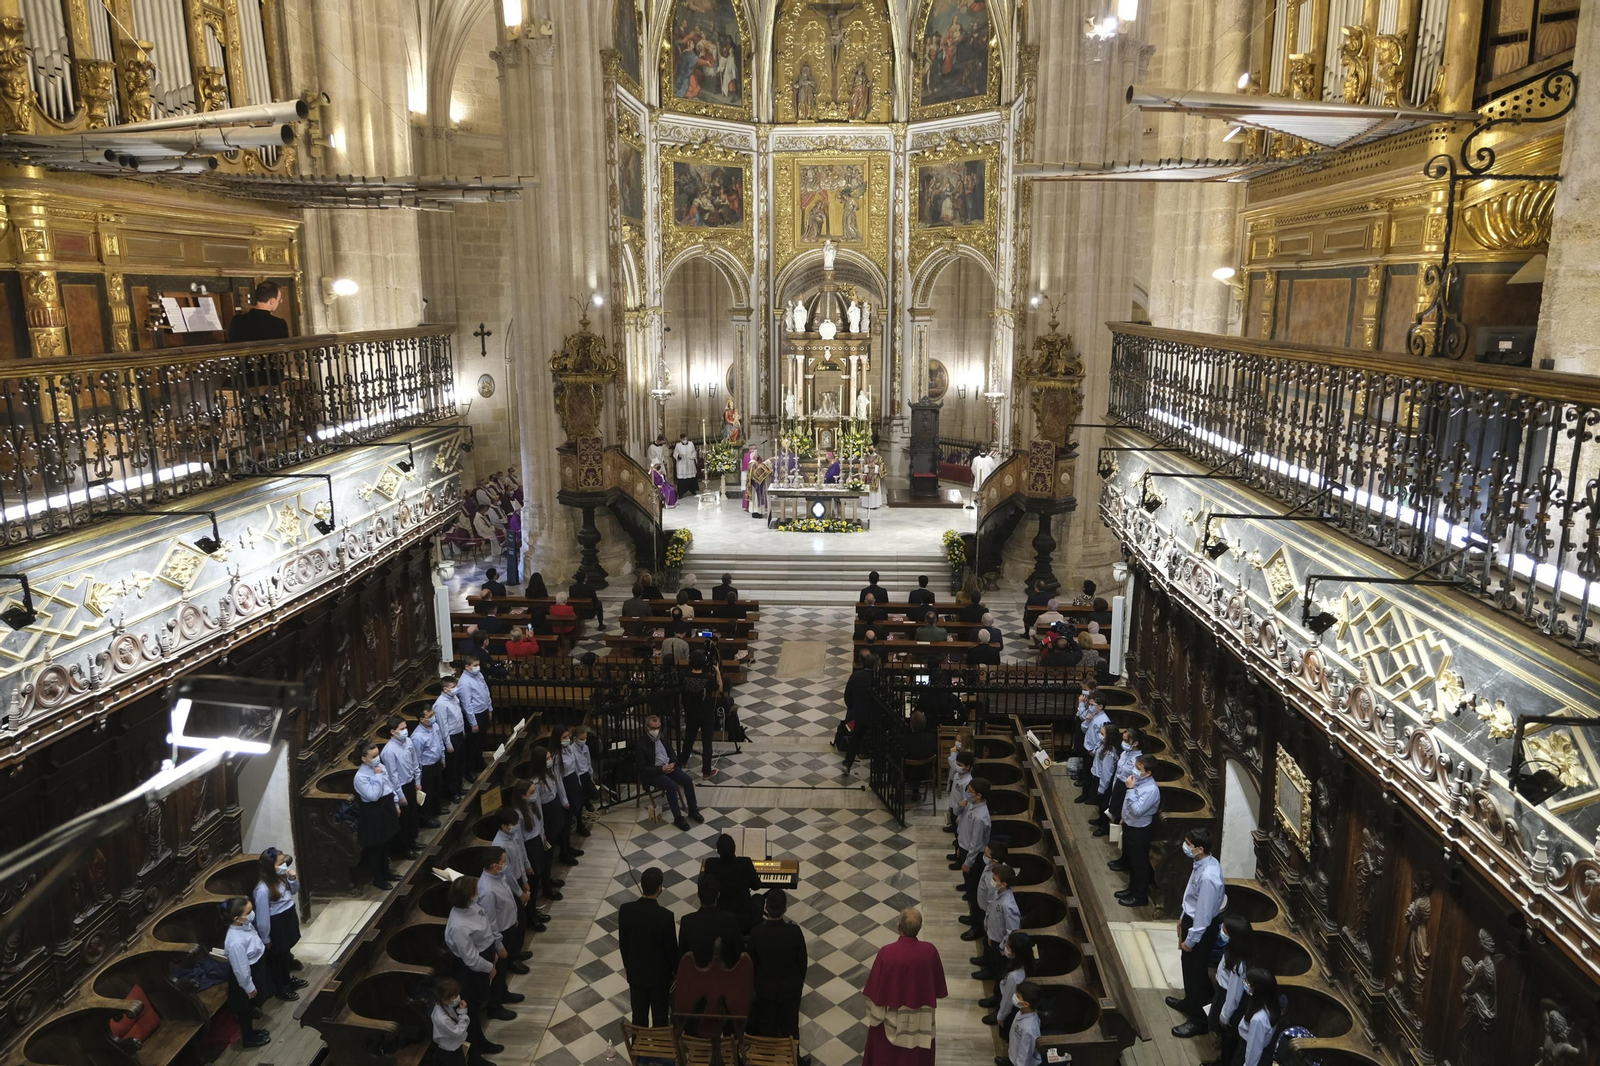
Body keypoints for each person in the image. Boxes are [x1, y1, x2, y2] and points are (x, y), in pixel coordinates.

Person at [862, 907, 948, 1066]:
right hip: (921, 1017)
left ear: (898, 926)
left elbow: (875, 992)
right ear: (919, 928)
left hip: (892, 1019)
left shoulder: (887, 953)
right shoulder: (929, 951)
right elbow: (938, 986)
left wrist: (875, 1017)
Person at [1166, 827, 1228, 1037]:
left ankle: (1198, 1021)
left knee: (1197, 973)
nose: (1185, 846)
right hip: (1190, 920)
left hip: (1200, 930)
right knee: (1188, 968)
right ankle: (1189, 1001)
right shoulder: (1203, 862)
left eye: (1188, 844)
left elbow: (1203, 915)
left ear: (1200, 848)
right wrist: (1183, 918)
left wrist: (1191, 940)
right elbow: (1192, 898)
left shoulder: (1210, 876)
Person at [445, 876, 510, 1057]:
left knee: (477, 1006)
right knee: (471, 1012)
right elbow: (471, 959)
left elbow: (484, 927)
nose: (478, 893)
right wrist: (489, 967)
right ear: (467, 897)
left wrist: (493, 949)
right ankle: (474, 1055)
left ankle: (481, 1042)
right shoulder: (459, 926)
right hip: (471, 970)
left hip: (484, 955)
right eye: (475, 891)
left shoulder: (471, 907)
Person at [747, 888, 810, 1065]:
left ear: (766, 907)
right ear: (785, 909)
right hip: (790, 989)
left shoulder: (757, 933)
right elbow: (802, 962)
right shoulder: (794, 932)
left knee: (766, 1028)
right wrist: (798, 983)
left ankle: (767, 1060)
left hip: (765, 990)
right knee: (791, 1027)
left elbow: (752, 964)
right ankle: (794, 1059)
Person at [619, 866, 678, 1027]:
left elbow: (623, 943)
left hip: (636, 973)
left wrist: (627, 966)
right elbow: (671, 949)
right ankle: (660, 1051)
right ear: (660, 889)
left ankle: (638, 1051)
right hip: (660, 977)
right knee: (660, 1018)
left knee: (638, 1017)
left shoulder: (625, 910)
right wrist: (676, 971)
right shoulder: (665, 917)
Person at [478, 848, 530, 1012]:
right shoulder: (486, 890)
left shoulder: (498, 876)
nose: (505, 863)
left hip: (508, 925)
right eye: (503, 861)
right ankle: (494, 1006)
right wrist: (499, 946)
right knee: (499, 971)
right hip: (500, 934)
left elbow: (507, 899)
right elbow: (491, 922)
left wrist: (513, 917)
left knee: (503, 969)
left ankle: (503, 993)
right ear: (494, 865)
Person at [252, 849, 307, 1002]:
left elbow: (294, 891)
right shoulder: (262, 889)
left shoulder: (281, 878)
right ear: (270, 866)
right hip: (277, 924)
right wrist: (266, 937)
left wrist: (293, 879)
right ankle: (281, 988)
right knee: (277, 959)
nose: (284, 865)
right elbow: (262, 916)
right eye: (280, 863)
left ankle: (288, 981)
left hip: (288, 917)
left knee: (285, 954)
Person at [636, 714, 704, 830]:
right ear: (647, 728)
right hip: (655, 773)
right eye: (653, 728)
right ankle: (678, 818)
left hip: (669, 768)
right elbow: (642, 768)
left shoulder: (663, 737)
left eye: (658, 728)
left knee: (687, 781)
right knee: (671, 786)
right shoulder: (641, 744)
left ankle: (693, 810)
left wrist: (673, 763)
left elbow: (672, 753)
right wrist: (661, 769)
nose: (656, 731)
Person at [223, 897, 273, 1048]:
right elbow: (241, 968)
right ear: (237, 918)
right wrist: (249, 987)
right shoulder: (235, 941)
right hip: (246, 977)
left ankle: (252, 1032)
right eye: (249, 912)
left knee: (251, 1006)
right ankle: (248, 1038)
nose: (252, 914)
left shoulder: (245, 925)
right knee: (244, 1008)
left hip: (256, 968)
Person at [1205, 916, 1255, 1066]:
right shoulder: (1234, 952)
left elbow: (1234, 994)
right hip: (1223, 993)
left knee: (1228, 1039)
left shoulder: (1238, 964)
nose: (1222, 932)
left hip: (1227, 999)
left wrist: (1225, 1016)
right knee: (1226, 1039)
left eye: (1225, 931)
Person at [1113, 755, 1162, 907]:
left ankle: (1140, 896)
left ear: (1148, 773)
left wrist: (1130, 790)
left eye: (1138, 769)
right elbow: (1128, 807)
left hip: (1140, 830)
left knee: (1139, 864)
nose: (1135, 770)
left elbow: (1137, 810)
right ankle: (1131, 889)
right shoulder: (1138, 781)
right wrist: (1123, 817)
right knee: (1132, 862)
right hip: (1130, 824)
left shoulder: (1151, 790)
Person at [352, 741, 401, 889]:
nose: (377, 758)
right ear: (364, 758)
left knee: (385, 843)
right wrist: (378, 776)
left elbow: (389, 785)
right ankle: (378, 878)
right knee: (376, 847)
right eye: (373, 756)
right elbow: (373, 795)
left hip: (385, 806)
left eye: (378, 754)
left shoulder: (379, 767)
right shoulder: (360, 777)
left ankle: (387, 872)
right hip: (373, 812)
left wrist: (396, 804)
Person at [491, 807, 542, 934]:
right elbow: (507, 873)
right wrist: (519, 893)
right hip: (510, 883)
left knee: (527, 903)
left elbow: (520, 854)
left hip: (519, 877)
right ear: (504, 826)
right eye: (513, 824)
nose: (517, 826)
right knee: (519, 915)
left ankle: (533, 916)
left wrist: (524, 879)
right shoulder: (500, 845)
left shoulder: (512, 834)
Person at [510, 778, 559, 908]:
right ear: (522, 796)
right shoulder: (518, 815)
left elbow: (538, 821)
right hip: (529, 847)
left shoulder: (532, 806)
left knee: (541, 872)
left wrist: (542, 835)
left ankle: (536, 908)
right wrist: (526, 864)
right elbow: (520, 843)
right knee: (532, 880)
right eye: (531, 793)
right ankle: (531, 913)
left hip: (537, 841)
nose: (534, 795)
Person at [381, 714, 424, 858]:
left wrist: (417, 781)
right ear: (393, 732)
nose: (405, 731)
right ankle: (404, 848)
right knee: (403, 820)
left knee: (413, 815)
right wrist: (400, 795)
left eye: (405, 727)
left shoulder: (409, 742)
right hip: (401, 787)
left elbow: (414, 762)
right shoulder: (388, 751)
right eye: (402, 728)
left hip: (411, 782)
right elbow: (392, 776)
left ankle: (412, 841)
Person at [531, 746, 581, 865]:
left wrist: (563, 800)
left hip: (555, 804)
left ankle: (565, 852)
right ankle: (547, 877)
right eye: (547, 758)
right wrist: (541, 831)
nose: (550, 760)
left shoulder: (550, 772)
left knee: (562, 830)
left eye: (550, 757)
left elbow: (557, 786)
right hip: (547, 810)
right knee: (551, 841)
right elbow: (537, 807)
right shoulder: (536, 783)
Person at [679, 874, 743, 967]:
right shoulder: (730, 920)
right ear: (718, 895)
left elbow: (682, 956)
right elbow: (739, 952)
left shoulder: (687, 921)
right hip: (726, 976)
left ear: (698, 895)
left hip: (695, 977)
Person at [704, 833, 763, 932]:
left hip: (721, 913)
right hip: (744, 917)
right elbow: (756, 886)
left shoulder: (711, 864)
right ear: (735, 848)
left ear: (718, 851)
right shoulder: (745, 863)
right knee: (758, 897)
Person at [981, 930, 1034, 1035]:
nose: (1005, 947)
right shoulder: (1024, 962)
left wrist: (1000, 1016)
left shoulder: (1013, 977)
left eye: (1008, 947)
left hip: (1010, 1009)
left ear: (1015, 953)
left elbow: (1007, 1000)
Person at [973, 863, 1019, 982]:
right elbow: (990, 907)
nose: (991, 881)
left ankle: (991, 974)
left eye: (994, 879)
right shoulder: (997, 891)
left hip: (999, 941)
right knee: (989, 953)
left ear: (1003, 884)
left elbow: (1012, 930)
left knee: (997, 965)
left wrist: (1003, 946)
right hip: (991, 932)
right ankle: (986, 964)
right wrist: (987, 925)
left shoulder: (1008, 905)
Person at [431, 977, 486, 1066]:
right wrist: (463, 1013)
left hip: (453, 1045)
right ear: (445, 998)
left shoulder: (443, 1006)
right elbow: (458, 1031)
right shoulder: (442, 1019)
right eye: (455, 995)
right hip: (449, 1051)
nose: (458, 997)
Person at [1234, 968, 1284, 1066]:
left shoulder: (1258, 1019)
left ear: (1258, 990)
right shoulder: (1271, 1005)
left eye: (1248, 984)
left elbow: (1254, 1050)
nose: (1245, 984)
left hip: (1248, 1053)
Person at [956, 777, 993, 904]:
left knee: (972, 879)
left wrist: (968, 862)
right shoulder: (970, 803)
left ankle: (973, 908)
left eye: (970, 791)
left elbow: (976, 844)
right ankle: (967, 886)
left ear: (978, 795)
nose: (967, 792)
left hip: (973, 853)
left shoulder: (980, 817)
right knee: (967, 877)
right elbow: (960, 819)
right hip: (964, 845)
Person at [457, 661, 494, 786]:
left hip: (483, 711)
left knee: (481, 741)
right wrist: (473, 723)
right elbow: (467, 705)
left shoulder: (479, 675)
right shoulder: (464, 682)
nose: (477, 667)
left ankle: (479, 762)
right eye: (474, 665)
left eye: (478, 664)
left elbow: (485, 691)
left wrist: (489, 708)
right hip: (474, 715)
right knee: (472, 744)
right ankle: (470, 770)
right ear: (467, 667)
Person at [841, 651, 877, 773]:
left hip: (859, 714)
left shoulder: (856, 676)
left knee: (855, 740)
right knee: (878, 741)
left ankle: (847, 763)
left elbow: (847, 695)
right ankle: (878, 768)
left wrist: (852, 708)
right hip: (874, 715)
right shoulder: (877, 678)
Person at [434, 675, 466, 801]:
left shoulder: (454, 698)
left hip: (458, 734)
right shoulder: (440, 704)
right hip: (451, 737)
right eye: (453, 687)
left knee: (460, 764)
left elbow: (459, 716)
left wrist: (462, 731)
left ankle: (459, 787)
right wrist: (448, 744)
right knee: (452, 767)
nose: (455, 689)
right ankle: (452, 792)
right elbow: (443, 726)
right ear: (445, 689)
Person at [412, 703, 446, 824]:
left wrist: (442, 758)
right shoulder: (417, 737)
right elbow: (416, 757)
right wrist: (418, 777)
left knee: (437, 788)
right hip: (426, 768)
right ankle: (426, 818)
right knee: (428, 792)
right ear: (421, 719)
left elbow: (440, 741)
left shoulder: (434, 726)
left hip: (436, 763)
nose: (432, 717)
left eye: (432, 714)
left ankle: (437, 809)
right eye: (429, 716)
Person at [556, 725, 590, 838]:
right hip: (566, 783)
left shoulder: (568, 748)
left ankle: (580, 825)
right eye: (564, 737)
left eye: (568, 736)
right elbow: (558, 778)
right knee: (568, 814)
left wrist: (579, 782)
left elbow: (574, 766)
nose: (567, 739)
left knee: (579, 806)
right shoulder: (556, 755)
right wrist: (564, 799)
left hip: (574, 779)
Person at [1086, 722, 1118, 837]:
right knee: (1100, 803)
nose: (1100, 735)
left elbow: (1106, 773)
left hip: (1102, 781)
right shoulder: (1103, 745)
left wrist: (1102, 788)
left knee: (1104, 804)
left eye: (1102, 733)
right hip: (1096, 777)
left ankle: (1104, 827)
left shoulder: (1109, 753)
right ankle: (1100, 820)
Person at [1003, 980, 1042, 1066]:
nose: (1014, 996)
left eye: (1018, 996)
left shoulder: (1028, 1029)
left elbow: (1024, 1054)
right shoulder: (1022, 1011)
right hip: (1014, 1054)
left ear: (1026, 1004)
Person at [945, 747, 974, 833]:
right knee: (953, 821)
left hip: (960, 809)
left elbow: (966, 800)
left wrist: (960, 816)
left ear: (968, 767)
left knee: (959, 829)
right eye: (957, 764)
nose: (958, 767)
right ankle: (953, 828)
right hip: (953, 805)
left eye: (960, 765)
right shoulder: (957, 775)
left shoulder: (968, 781)